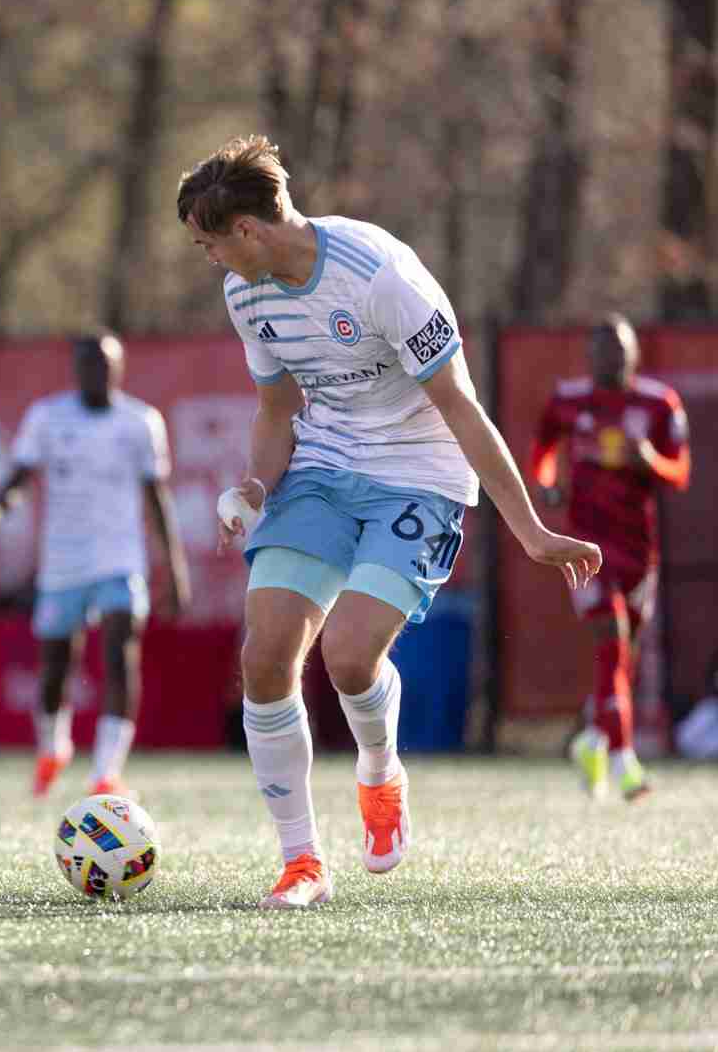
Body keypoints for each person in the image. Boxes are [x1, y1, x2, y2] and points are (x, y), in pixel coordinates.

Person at [179, 135, 600, 909]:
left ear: (246, 231)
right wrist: (251, 485)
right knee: (265, 656)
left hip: (418, 474)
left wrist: (531, 531)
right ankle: (301, 862)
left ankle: (379, 771)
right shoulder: (246, 295)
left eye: (209, 243)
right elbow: (279, 408)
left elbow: (460, 410)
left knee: (346, 657)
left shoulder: (379, 275)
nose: (208, 260)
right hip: (322, 468)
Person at [0, 332, 191, 799]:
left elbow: (156, 496)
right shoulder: (48, 418)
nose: (97, 372)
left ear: (120, 368)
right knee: (56, 666)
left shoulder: (141, 422)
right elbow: (18, 477)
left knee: (120, 653)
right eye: (88, 364)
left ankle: (106, 771)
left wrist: (173, 568)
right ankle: (54, 747)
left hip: (120, 559)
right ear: (75, 369)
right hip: (63, 563)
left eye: (106, 364)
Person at [530, 314, 690, 800]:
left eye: (619, 349)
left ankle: (594, 740)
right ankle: (624, 761)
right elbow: (542, 453)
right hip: (584, 545)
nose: (610, 358)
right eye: (602, 349)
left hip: (638, 548)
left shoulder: (659, 404)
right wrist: (548, 486)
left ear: (635, 354)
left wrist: (651, 461)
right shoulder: (568, 401)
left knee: (626, 655)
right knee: (611, 635)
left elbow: (679, 473)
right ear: (588, 354)